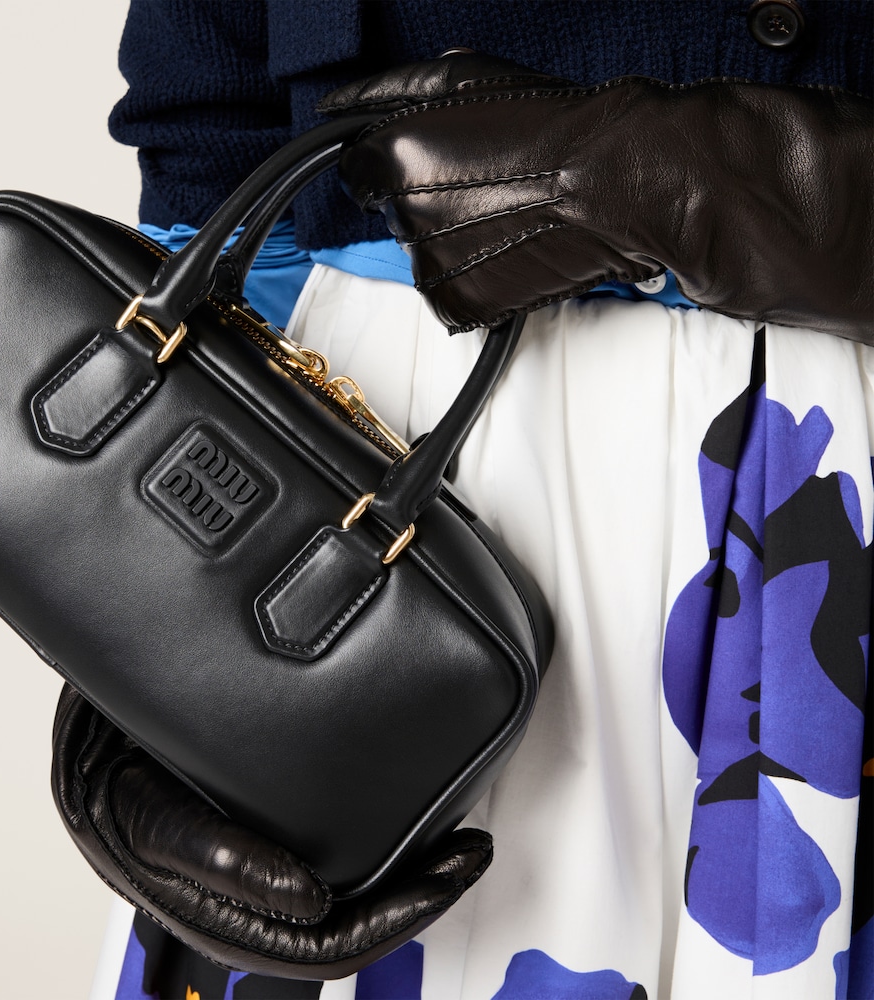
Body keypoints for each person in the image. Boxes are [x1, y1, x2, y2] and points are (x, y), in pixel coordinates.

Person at [61, 3, 873, 998]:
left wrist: (739, 179)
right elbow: (211, 123)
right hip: (368, 457)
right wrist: (161, 621)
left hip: (831, 469)